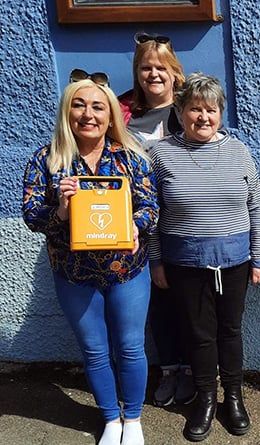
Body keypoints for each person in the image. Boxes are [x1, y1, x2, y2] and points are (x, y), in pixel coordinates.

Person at [22, 70, 159, 445]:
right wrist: (61, 212)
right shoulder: (46, 161)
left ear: (110, 114)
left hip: (127, 271)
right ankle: (110, 420)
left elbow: (151, 207)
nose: (88, 114)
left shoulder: (131, 156)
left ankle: (133, 419)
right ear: (67, 112)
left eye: (98, 107)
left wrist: (135, 225)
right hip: (74, 273)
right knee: (95, 350)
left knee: (130, 346)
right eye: (79, 105)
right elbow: (32, 215)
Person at [149, 72, 260, 441]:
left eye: (212, 110)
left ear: (221, 114)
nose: (204, 117)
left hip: (235, 261)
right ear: (181, 111)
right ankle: (204, 398)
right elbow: (150, 216)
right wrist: (155, 261)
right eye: (195, 109)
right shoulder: (160, 154)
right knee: (198, 336)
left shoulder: (237, 150)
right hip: (184, 264)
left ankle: (232, 397)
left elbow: (256, 207)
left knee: (230, 332)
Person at [119, 32, 195, 408]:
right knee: (157, 298)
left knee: (188, 298)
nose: (154, 74)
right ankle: (169, 370)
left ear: (174, 72)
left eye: (161, 67)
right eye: (146, 67)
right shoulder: (122, 111)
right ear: (137, 72)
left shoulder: (188, 109)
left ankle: (194, 372)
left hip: (184, 221)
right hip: (136, 222)